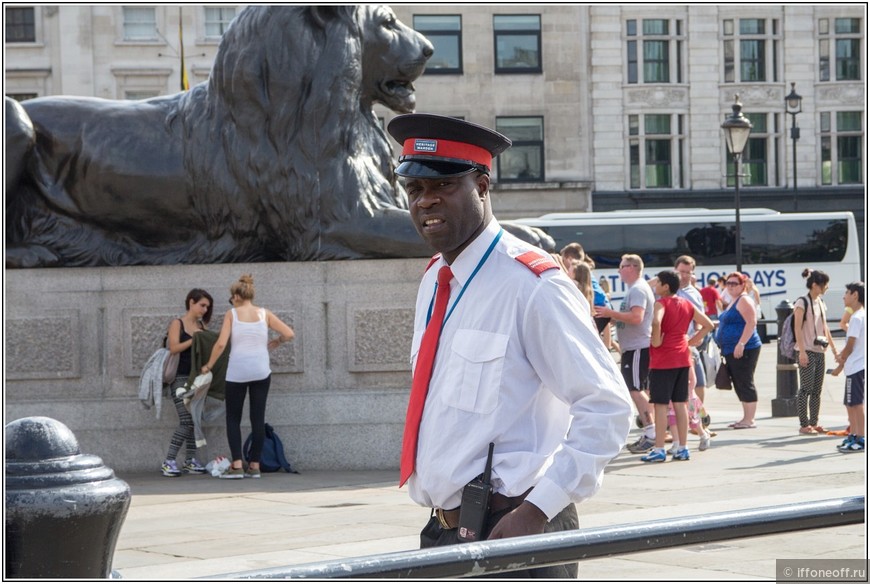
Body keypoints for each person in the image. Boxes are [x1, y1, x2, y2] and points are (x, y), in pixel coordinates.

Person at [387, 113, 631, 578]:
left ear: (482, 186)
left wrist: (538, 509)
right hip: (444, 530)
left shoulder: (533, 285)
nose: (426, 201)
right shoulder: (435, 280)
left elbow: (607, 407)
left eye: (444, 186)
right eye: (414, 190)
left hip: (517, 530)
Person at [201, 274, 295, 479]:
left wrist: (208, 365)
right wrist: (277, 341)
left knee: (233, 418)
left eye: (231, 297)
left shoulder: (232, 314)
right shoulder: (264, 314)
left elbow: (220, 344)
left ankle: (236, 465)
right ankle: (254, 465)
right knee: (257, 418)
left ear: (236, 296)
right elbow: (289, 333)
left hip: (238, 372)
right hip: (261, 371)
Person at [641, 270, 713, 463]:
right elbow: (708, 324)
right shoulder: (686, 303)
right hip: (682, 357)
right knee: (680, 403)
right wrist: (691, 341)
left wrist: (655, 341)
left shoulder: (661, 303)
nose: (655, 286)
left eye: (658, 283)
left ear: (665, 286)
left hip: (663, 360)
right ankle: (683, 447)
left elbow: (656, 321)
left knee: (661, 405)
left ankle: (659, 449)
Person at [594, 254, 657, 454]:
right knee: (639, 389)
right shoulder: (636, 288)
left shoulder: (638, 289)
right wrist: (612, 318)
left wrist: (610, 314)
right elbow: (629, 318)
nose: (619, 271)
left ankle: (652, 432)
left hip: (637, 346)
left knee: (635, 390)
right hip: (633, 346)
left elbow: (637, 317)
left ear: (631, 267)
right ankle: (652, 430)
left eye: (621, 267)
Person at [162, 289, 214, 477]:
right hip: (180, 378)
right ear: (191, 303)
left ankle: (190, 460)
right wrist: (195, 339)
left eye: (207, 307)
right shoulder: (178, 323)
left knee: (194, 420)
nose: (205, 309)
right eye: (202, 305)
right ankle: (169, 461)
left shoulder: (201, 326)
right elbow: (174, 347)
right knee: (186, 419)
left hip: (197, 379)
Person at [793, 268, 839, 435]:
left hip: (819, 350)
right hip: (807, 350)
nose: (826, 287)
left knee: (817, 390)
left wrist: (833, 349)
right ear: (815, 285)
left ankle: (814, 422)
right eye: (824, 285)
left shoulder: (820, 302)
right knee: (805, 389)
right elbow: (797, 328)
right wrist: (802, 352)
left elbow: (825, 328)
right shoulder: (801, 302)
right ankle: (804, 424)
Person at [716, 272, 762, 429]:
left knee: (745, 380)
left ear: (743, 285)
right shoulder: (733, 300)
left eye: (734, 284)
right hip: (731, 348)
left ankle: (749, 419)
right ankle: (745, 418)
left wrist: (741, 344)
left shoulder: (744, 300)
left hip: (745, 348)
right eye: (728, 283)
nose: (730, 286)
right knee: (739, 381)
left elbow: (751, 322)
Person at [831, 282, 865, 453]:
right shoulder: (859, 316)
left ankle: (861, 437)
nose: (844, 296)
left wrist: (840, 357)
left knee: (856, 404)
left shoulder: (857, 318)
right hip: (854, 367)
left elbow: (850, 345)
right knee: (850, 403)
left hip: (857, 367)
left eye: (846, 292)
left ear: (855, 295)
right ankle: (854, 434)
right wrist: (841, 365)